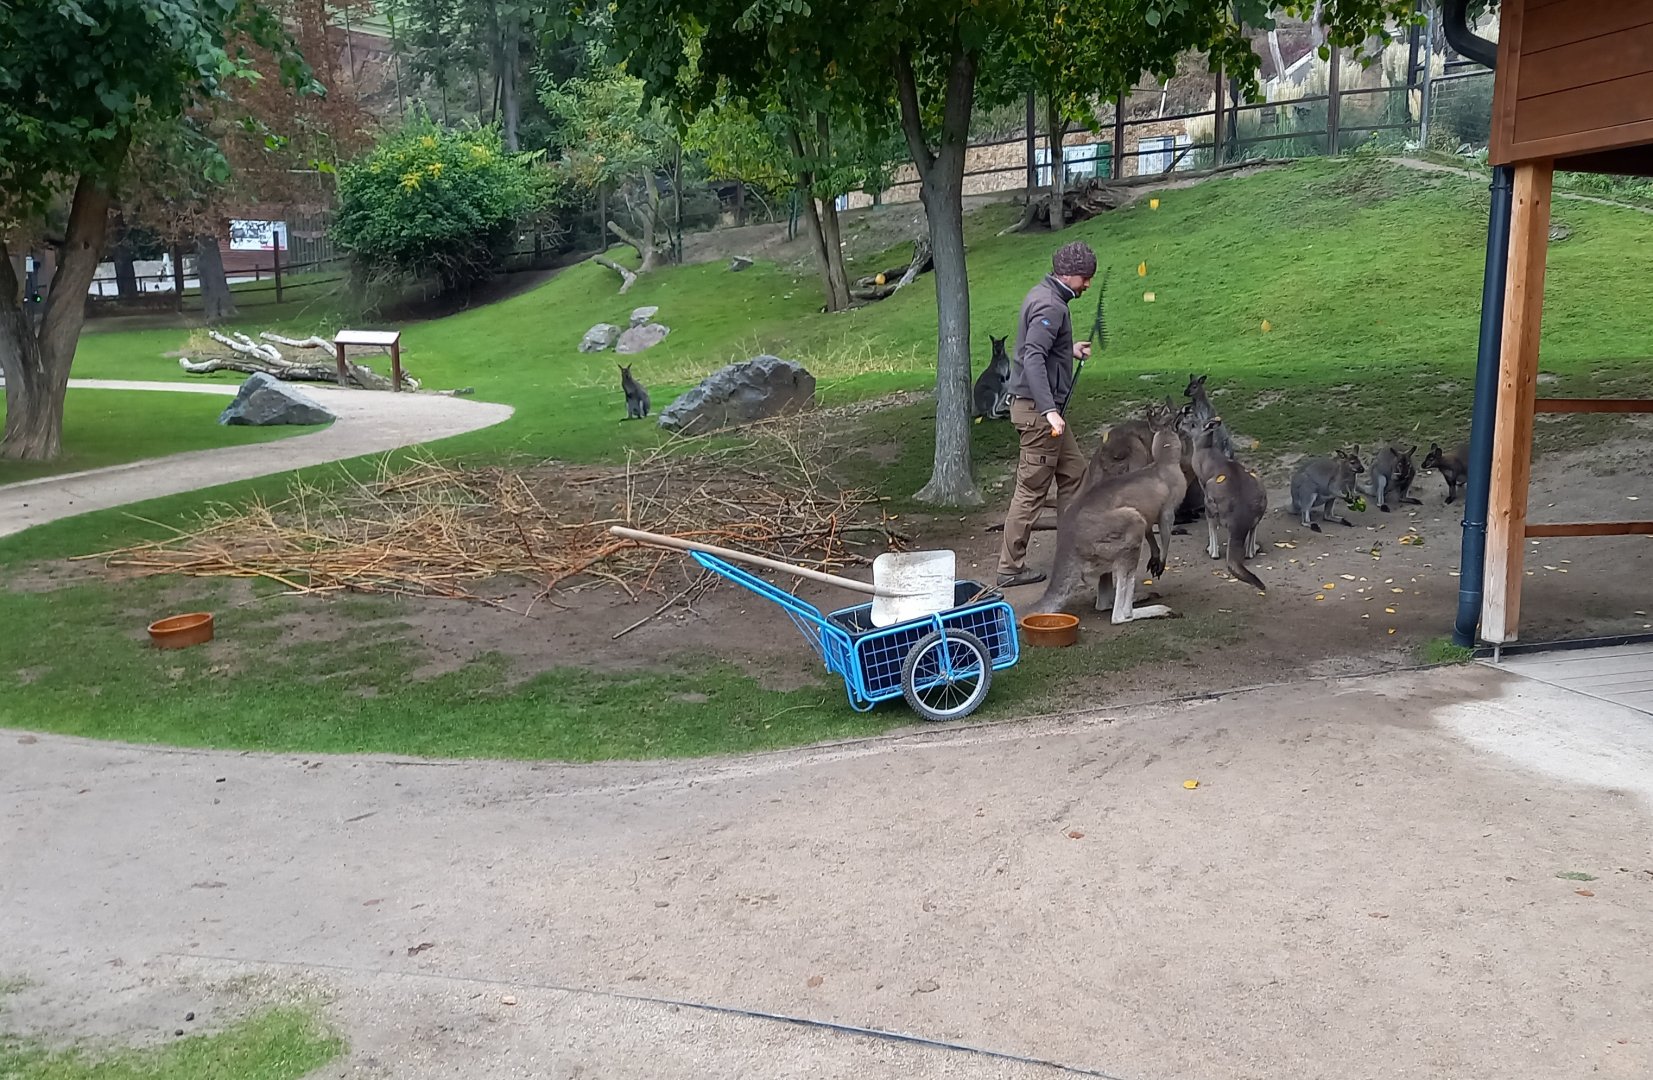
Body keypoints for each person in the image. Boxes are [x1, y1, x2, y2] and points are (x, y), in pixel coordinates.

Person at [996, 240, 1096, 588]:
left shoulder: (1046, 297)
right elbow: (1033, 359)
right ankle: (1010, 568)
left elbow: (1038, 350)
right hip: (1040, 417)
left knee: (1075, 474)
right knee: (1031, 491)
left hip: (1041, 414)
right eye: (1085, 278)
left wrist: (1069, 351)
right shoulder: (1050, 305)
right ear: (1069, 274)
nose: (1088, 285)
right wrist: (1050, 411)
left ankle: (1070, 550)